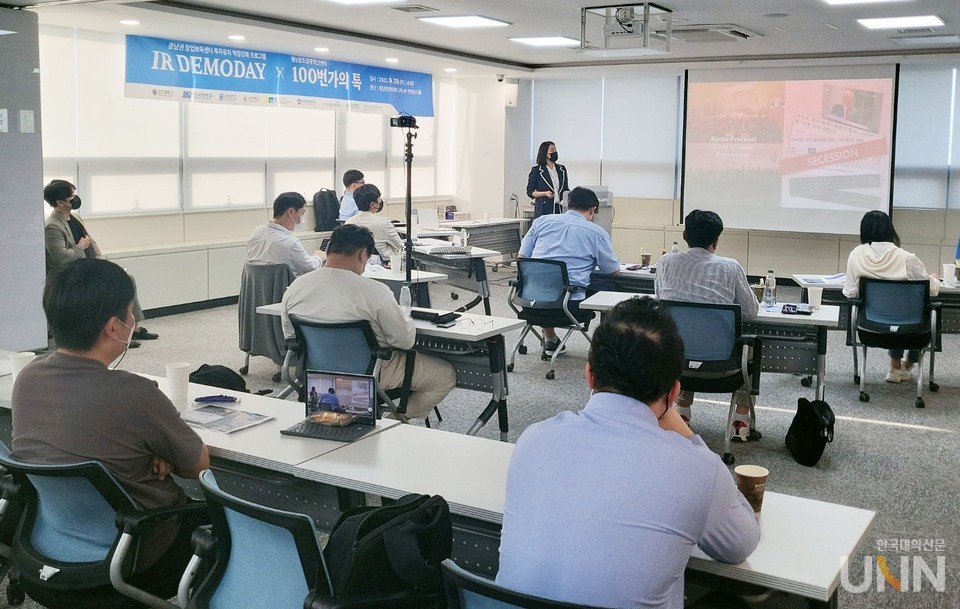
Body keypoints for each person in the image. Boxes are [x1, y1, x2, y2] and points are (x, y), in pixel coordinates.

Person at [497, 297, 760, 609]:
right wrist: (686, 433)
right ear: (674, 393)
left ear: (589, 375)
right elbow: (741, 544)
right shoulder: (698, 469)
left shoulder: (533, 439)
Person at [11, 257, 210, 601]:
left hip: (48, 546)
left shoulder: (28, 378)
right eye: (131, 313)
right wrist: (163, 455)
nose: (135, 321)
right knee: (224, 530)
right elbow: (198, 466)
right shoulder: (134, 392)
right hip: (134, 557)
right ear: (115, 328)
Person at [281, 224, 456, 419]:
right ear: (363, 255)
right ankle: (393, 424)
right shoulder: (374, 291)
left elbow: (290, 337)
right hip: (372, 371)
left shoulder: (296, 288)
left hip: (316, 373)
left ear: (329, 249)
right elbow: (404, 341)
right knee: (445, 375)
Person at [654, 209, 758, 438]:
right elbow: (750, 312)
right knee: (750, 349)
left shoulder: (665, 263)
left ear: (684, 235)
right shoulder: (730, 267)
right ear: (716, 240)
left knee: (684, 337)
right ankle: (740, 420)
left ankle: (681, 411)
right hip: (724, 366)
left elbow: (660, 302)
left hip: (676, 364)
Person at [43, 179, 158, 347]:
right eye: (71, 196)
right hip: (72, 273)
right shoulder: (52, 226)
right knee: (110, 288)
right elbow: (60, 258)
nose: (75, 198)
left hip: (89, 266)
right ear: (60, 202)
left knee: (127, 278)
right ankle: (118, 335)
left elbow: (91, 241)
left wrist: (101, 262)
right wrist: (80, 247)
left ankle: (134, 328)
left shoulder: (75, 217)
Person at [518, 186, 619, 355]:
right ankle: (604, 348)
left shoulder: (541, 222)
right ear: (593, 209)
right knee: (612, 288)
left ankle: (550, 339)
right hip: (568, 306)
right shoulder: (596, 232)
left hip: (530, 301)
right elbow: (613, 270)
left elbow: (522, 257)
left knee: (547, 283)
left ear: (567, 205)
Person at [843, 210, 939, 382]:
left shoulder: (856, 255)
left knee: (893, 309)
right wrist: (933, 279)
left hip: (870, 329)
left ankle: (895, 367)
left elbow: (850, 293)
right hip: (911, 331)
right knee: (917, 310)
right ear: (890, 230)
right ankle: (908, 364)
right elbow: (931, 290)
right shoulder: (907, 258)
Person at [246, 191, 321, 276]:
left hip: (256, 288)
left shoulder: (257, 232)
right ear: (291, 212)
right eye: (302, 213)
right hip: (284, 288)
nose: (302, 217)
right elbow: (309, 267)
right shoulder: (290, 243)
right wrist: (319, 257)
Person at [345, 183, 403, 260]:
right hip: (384, 264)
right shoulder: (384, 223)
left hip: (357, 263)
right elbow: (399, 245)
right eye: (379, 199)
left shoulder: (348, 223)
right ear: (372, 204)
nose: (380, 201)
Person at [526, 141, 569, 219]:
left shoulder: (562, 169)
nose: (555, 152)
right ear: (545, 153)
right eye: (552, 150)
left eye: (555, 150)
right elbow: (530, 192)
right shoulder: (536, 170)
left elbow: (565, 189)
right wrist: (545, 193)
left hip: (559, 208)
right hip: (544, 209)